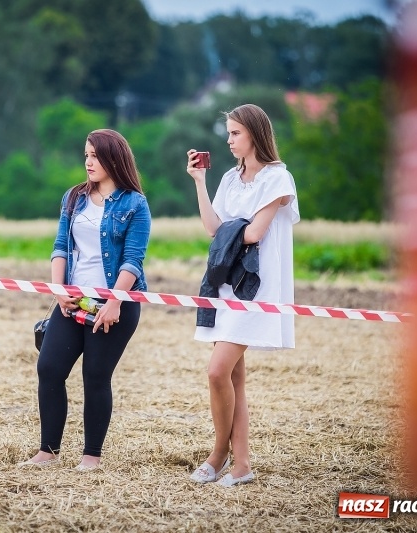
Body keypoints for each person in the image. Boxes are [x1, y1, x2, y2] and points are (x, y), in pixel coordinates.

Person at [19, 129, 151, 471]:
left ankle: (91, 456)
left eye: (95, 155)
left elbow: (133, 260)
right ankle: (47, 452)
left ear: (114, 158)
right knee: (48, 369)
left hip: (115, 302)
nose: (89, 162)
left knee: (95, 376)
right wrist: (59, 290)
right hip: (73, 300)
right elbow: (60, 246)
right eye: (86, 155)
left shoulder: (135, 204)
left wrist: (115, 302)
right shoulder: (74, 197)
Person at [186, 104, 299, 486]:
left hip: (256, 289)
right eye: (228, 133)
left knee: (217, 370)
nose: (229, 140)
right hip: (224, 282)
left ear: (254, 133)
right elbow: (212, 227)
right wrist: (200, 182)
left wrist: (230, 230)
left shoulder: (278, 179)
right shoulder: (231, 180)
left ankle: (218, 454)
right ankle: (242, 465)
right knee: (233, 378)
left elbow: (254, 235)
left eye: (235, 133)